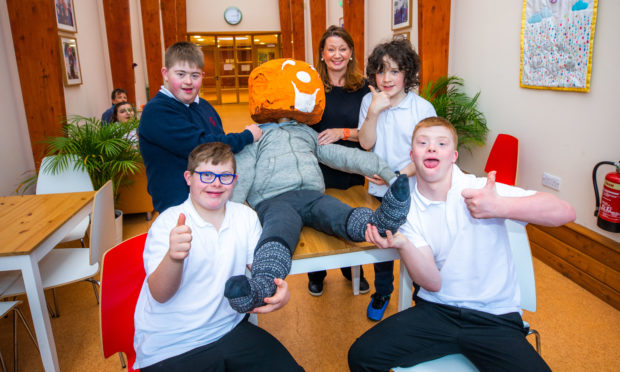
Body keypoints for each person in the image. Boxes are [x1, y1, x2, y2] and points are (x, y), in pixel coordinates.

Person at [348, 117, 576, 372]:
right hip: (436, 311)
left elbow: (565, 212)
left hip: (494, 318)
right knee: (362, 356)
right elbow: (433, 283)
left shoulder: (480, 189)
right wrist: (403, 244)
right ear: (412, 155)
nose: (432, 148)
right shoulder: (407, 208)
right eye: (423, 143)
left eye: (441, 143)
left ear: (453, 156)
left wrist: (500, 206)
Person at [223, 58, 411, 314]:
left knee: (339, 213)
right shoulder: (256, 135)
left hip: (313, 196)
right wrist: (230, 219)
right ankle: (260, 286)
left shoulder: (306, 132)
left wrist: (384, 171)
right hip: (275, 201)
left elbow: (341, 155)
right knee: (278, 233)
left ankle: (380, 223)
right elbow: (241, 174)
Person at [133, 142, 303, 371]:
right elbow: (160, 294)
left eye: (225, 176)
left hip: (228, 328)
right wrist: (174, 258)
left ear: (234, 180)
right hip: (171, 344)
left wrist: (279, 291)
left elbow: (260, 272)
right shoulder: (168, 223)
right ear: (188, 178)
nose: (215, 183)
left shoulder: (245, 216)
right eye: (205, 175)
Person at [357, 39, 436, 321]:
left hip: (414, 191)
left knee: (414, 244)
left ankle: (421, 296)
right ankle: (382, 291)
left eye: (394, 71)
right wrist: (375, 111)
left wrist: (397, 176)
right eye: (380, 71)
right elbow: (366, 144)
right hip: (379, 190)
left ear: (407, 73)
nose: (386, 78)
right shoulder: (369, 100)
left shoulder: (422, 108)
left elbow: (428, 153)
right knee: (383, 241)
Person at [138, 41, 262, 213]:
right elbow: (204, 146)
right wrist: (247, 136)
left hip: (211, 201)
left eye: (195, 75)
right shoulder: (156, 111)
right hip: (179, 207)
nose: (188, 81)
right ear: (165, 73)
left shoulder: (204, 106)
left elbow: (220, 151)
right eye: (180, 74)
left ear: (203, 76)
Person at [306, 25, 371, 297]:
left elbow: (370, 133)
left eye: (342, 49)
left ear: (351, 53)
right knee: (317, 218)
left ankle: (351, 267)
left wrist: (341, 133)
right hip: (317, 167)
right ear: (322, 54)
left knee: (351, 213)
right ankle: (317, 272)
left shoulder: (364, 88)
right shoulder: (310, 87)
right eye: (331, 49)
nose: (337, 54)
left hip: (351, 167)